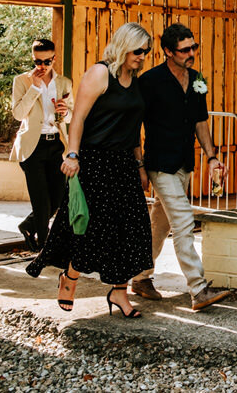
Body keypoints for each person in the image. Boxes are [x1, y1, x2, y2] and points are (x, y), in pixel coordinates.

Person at [26, 23, 154, 319]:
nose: (142, 56)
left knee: (130, 231)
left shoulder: (134, 79)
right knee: (89, 229)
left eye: (146, 52)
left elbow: (134, 129)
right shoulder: (100, 73)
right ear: (124, 46)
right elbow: (79, 117)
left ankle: (119, 292)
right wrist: (72, 155)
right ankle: (69, 279)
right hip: (94, 162)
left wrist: (140, 165)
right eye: (138, 51)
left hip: (124, 164)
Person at [130, 23, 230, 312]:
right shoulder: (149, 81)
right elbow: (134, 127)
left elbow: (201, 122)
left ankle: (139, 277)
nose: (191, 53)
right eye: (185, 49)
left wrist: (212, 157)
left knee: (160, 224)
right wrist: (139, 165)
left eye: (194, 47)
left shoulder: (197, 79)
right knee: (185, 222)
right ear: (168, 52)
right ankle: (198, 289)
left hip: (185, 162)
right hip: (159, 164)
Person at [9, 39, 73, 251]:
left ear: (54, 59)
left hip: (55, 144)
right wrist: (35, 89)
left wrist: (66, 111)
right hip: (32, 147)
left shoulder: (64, 82)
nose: (42, 66)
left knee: (58, 197)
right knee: (41, 202)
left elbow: (72, 114)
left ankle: (28, 226)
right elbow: (18, 114)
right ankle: (45, 247)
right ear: (33, 58)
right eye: (38, 61)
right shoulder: (22, 81)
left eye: (47, 61)